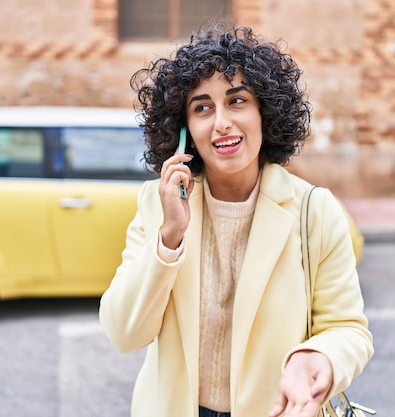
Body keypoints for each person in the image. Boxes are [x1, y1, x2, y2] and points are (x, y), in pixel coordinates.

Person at [99, 22, 373, 417]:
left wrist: (319, 357)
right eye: (202, 107)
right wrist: (169, 238)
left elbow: (348, 329)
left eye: (237, 101)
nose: (221, 122)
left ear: (265, 111)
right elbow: (124, 333)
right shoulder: (157, 204)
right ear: (185, 131)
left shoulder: (316, 209)